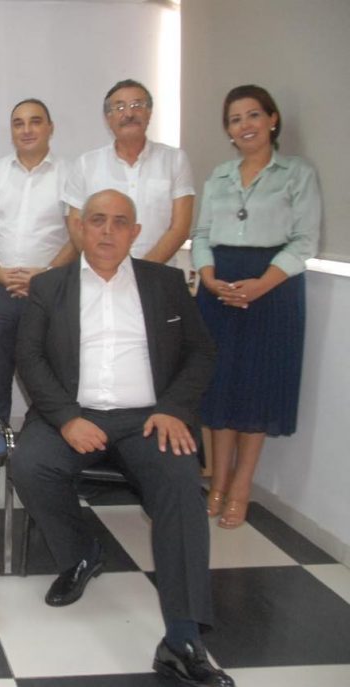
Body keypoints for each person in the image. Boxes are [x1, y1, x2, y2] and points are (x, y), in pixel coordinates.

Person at [12, 190, 233, 687]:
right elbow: (31, 357)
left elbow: (202, 353)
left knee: (181, 483)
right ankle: (81, 552)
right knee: (30, 465)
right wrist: (67, 418)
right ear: (80, 228)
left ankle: (182, 638)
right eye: (97, 220)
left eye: (119, 222)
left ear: (135, 232)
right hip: (74, 411)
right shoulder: (50, 286)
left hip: (149, 418)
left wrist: (173, 408)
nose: (107, 231)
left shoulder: (166, 283)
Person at [191, 85, 321, 529]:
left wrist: (261, 285)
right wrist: (209, 277)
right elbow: (202, 235)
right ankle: (218, 483)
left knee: (257, 391)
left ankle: (241, 489)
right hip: (220, 287)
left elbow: (304, 241)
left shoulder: (296, 173)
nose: (244, 125)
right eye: (235, 119)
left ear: (272, 119)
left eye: (252, 115)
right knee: (220, 388)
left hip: (272, 289)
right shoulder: (220, 176)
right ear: (228, 130)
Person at [0, 98, 77, 425]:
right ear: (12, 131)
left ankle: (42, 440)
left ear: (50, 128)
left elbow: (78, 235)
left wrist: (45, 275)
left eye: (35, 121)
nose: (26, 129)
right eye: (19, 123)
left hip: (50, 290)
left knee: (47, 373)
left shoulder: (70, 174)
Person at [63, 79, 194, 266]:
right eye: (120, 107)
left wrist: (143, 271)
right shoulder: (86, 164)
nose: (129, 114)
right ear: (108, 118)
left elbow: (179, 228)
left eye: (136, 105)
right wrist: (103, 269)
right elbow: (76, 226)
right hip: (101, 275)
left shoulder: (175, 160)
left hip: (158, 273)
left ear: (149, 113)